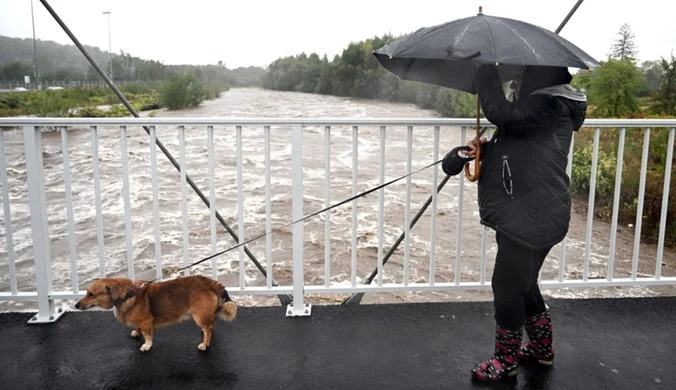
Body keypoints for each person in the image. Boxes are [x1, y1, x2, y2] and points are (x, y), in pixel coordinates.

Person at [449, 63, 587, 381]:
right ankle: (541, 352)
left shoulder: (551, 106)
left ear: (541, 78)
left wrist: (485, 73)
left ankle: (505, 361)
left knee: (507, 286)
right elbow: (520, 145)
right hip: (526, 210)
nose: (518, 81)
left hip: (534, 214)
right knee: (523, 284)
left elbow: (503, 113)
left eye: (524, 76)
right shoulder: (541, 108)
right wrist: (482, 150)